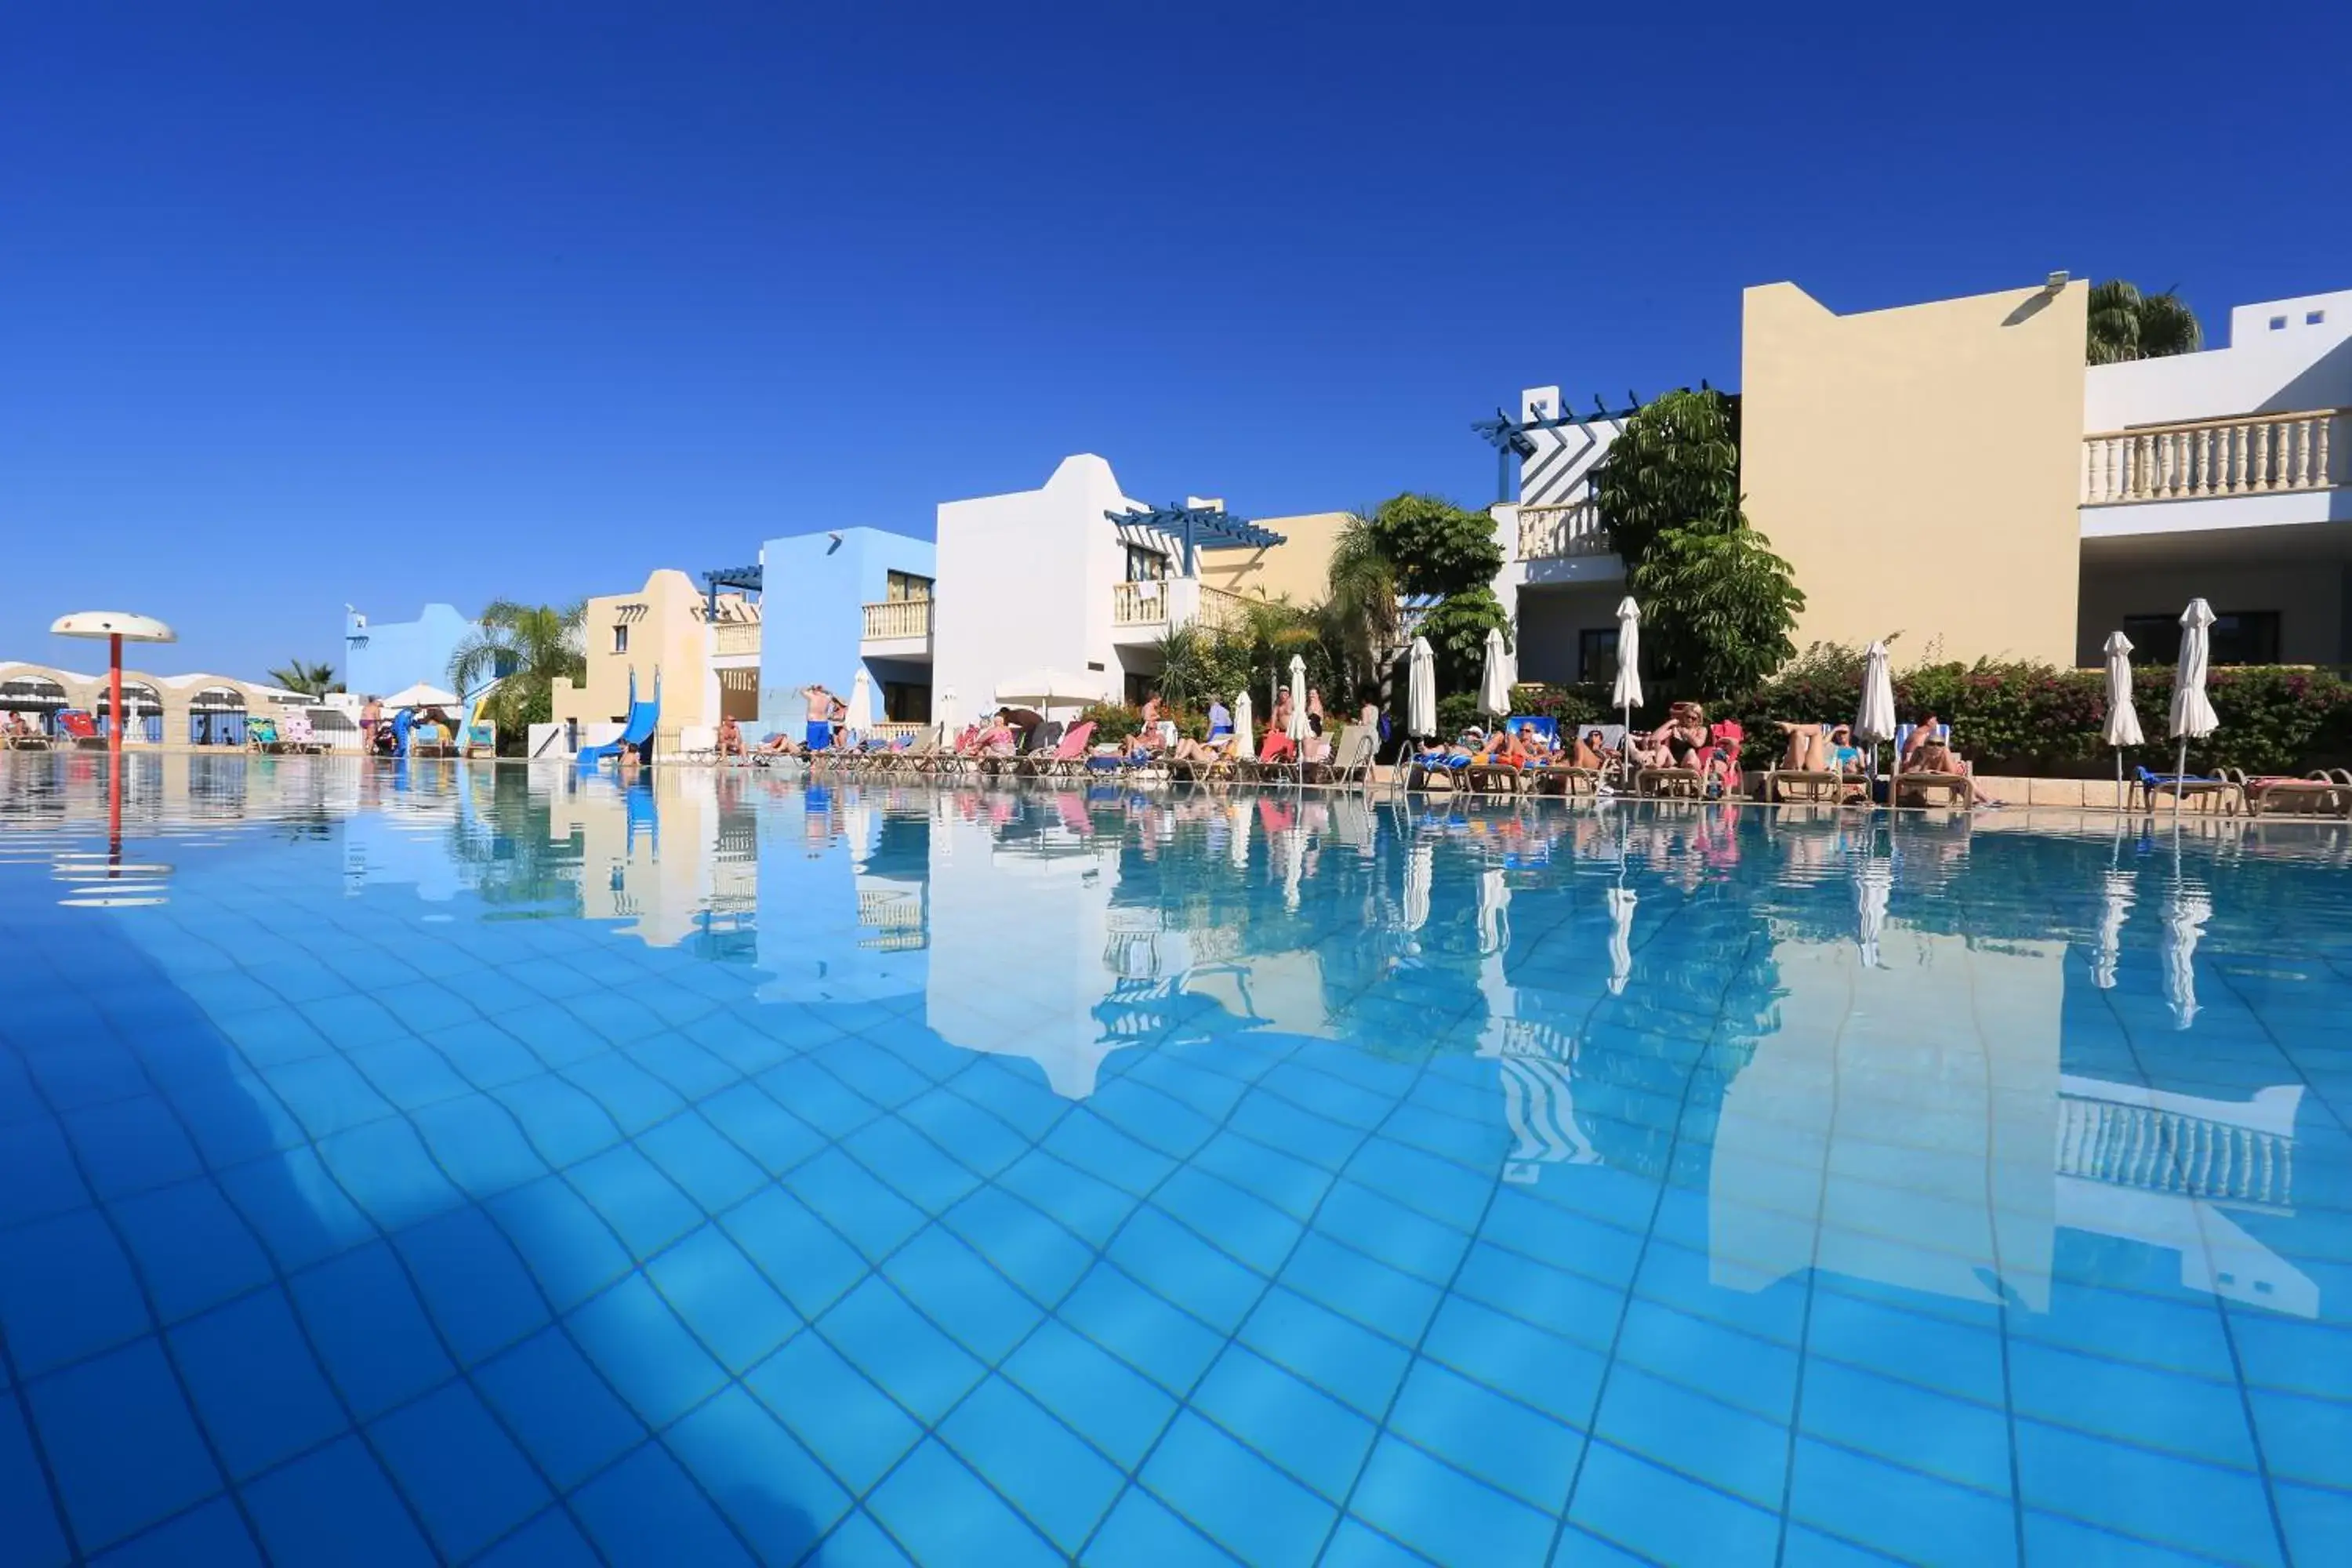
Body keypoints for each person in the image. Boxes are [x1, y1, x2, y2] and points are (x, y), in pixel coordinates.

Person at [800, 685, 835, 753]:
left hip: (814, 724)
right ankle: (822, 763)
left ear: (815, 691)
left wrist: (811, 686)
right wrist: (824, 690)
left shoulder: (812, 697)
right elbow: (831, 694)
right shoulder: (827, 698)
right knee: (823, 750)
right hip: (824, 724)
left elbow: (802, 691)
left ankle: (815, 763)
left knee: (814, 749)